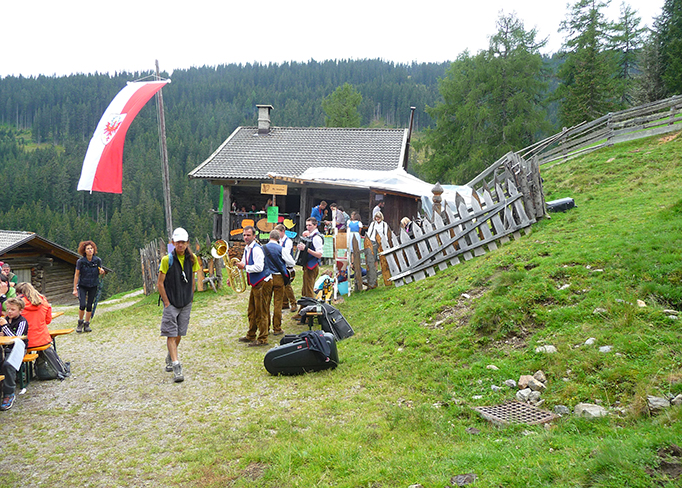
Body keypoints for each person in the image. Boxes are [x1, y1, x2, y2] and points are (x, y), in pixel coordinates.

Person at [157, 227, 201, 383]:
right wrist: (167, 302)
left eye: (183, 242)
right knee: (170, 333)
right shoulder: (166, 260)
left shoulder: (192, 259)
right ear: (173, 243)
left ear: (188, 243)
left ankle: (170, 355)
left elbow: (194, 278)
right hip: (172, 303)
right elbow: (160, 283)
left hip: (185, 302)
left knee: (179, 333)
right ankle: (176, 366)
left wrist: (191, 296)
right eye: (178, 242)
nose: (180, 245)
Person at [236, 226, 272, 347]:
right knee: (251, 310)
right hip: (256, 283)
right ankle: (251, 335)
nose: (246, 237)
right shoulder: (247, 248)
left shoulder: (257, 249)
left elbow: (259, 267)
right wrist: (233, 275)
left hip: (263, 282)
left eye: (248, 235)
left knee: (261, 311)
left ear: (254, 236)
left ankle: (263, 338)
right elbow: (243, 263)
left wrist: (244, 267)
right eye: (244, 235)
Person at [262, 229, 295, 336]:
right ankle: (277, 328)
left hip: (266, 278)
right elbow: (291, 262)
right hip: (278, 278)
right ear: (278, 238)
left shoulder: (262, 248)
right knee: (278, 303)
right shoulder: (281, 249)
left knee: (265, 303)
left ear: (269, 237)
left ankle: (265, 328)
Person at [0, 297, 28, 411]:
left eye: (13, 309)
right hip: (4, 347)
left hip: (18, 348)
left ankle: (9, 393)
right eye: (8, 309)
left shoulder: (22, 321)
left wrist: (5, 327)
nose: (9, 312)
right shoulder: (5, 319)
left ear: (20, 310)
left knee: (8, 365)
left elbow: (17, 339)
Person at [72, 240, 105, 333]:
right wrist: (75, 289)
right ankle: (80, 322)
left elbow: (99, 270)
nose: (90, 250)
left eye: (91, 248)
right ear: (84, 251)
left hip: (93, 285)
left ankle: (87, 324)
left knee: (90, 305)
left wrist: (101, 271)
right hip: (82, 285)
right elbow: (77, 275)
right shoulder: (80, 261)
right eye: (88, 249)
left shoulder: (97, 260)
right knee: (82, 304)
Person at [15, 282, 52, 349]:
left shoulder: (18, 305)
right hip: (43, 339)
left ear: (18, 293)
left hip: (25, 341)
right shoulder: (43, 301)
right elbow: (48, 321)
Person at [297, 217, 324, 298]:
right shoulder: (311, 236)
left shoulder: (316, 238)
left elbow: (319, 254)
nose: (308, 227)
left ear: (315, 225)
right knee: (305, 290)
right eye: (307, 225)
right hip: (308, 265)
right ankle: (304, 308)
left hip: (312, 266)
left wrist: (306, 249)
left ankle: (311, 308)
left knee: (308, 290)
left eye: (310, 225)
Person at [275, 224, 297, 313]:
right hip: (280, 265)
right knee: (281, 284)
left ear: (283, 231)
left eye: (278, 232)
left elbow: (286, 254)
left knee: (287, 285)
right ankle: (285, 303)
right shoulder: (278, 241)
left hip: (287, 266)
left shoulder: (288, 241)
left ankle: (293, 303)